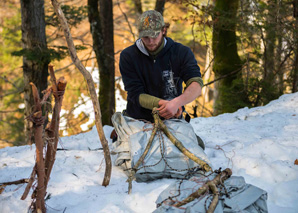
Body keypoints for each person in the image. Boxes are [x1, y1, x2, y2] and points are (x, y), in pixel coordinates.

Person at [119, 10, 203, 123]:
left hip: (172, 118)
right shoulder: (128, 56)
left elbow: (196, 84)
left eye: (154, 36)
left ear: (163, 30)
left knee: (191, 141)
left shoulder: (181, 52)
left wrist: (176, 103)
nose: (150, 41)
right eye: (146, 37)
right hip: (137, 119)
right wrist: (165, 104)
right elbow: (135, 94)